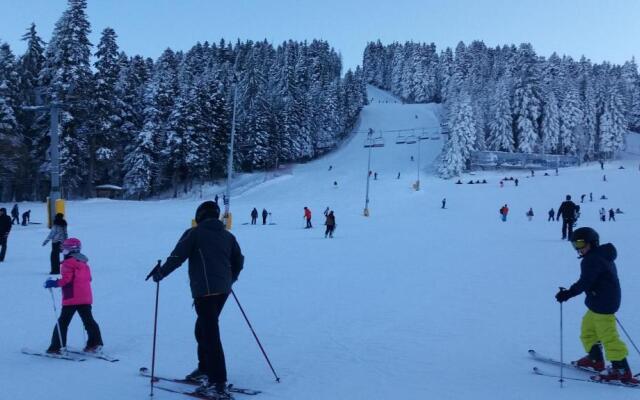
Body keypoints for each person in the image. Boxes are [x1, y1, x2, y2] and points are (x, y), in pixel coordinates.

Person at [148, 201, 244, 399]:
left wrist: (161, 273)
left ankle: (217, 382)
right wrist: (229, 280)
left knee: (209, 333)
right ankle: (205, 369)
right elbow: (239, 261)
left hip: (205, 292)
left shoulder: (195, 233)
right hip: (222, 291)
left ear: (199, 215)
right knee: (202, 329)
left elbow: (177, 257)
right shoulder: (228, 235)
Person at [555, 227, 638, 384]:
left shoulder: (592, 260)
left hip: (604, 304)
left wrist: (568, 294)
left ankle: (620, 369)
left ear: (592, 243)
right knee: (588, 329)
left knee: (608, 336)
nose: (578, 249)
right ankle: (595, 359)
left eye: (580, 244)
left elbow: (585, 282)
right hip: (599, 302)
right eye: (575, 245)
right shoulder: (598, 256)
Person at [44, 238, 103, 354]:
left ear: (71, 250)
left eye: (65, 248)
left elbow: (66, 280)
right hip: (85, 297)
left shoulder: (68, 263)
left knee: (63, 322)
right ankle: (95, 343)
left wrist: (54, 283)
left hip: (72, 297)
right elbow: (89, 279)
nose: (63, 250)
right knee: (88, 320)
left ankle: (56, 347)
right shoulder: (83, 263)